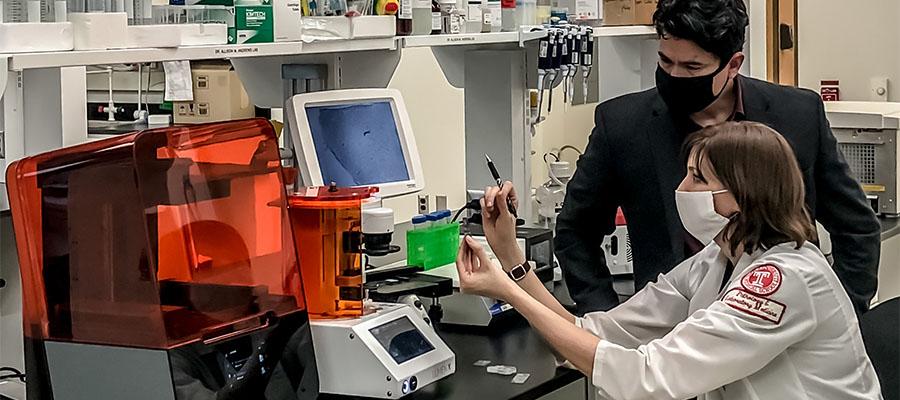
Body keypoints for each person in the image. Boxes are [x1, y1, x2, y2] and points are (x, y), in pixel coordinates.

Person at [458, 122, 882, 400]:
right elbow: (588, 335)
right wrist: (512, 256)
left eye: (699, 178)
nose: (682, 187)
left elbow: (647, 376)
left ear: (744, 195)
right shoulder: (718, 260)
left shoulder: (783, 280)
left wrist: (508, 291)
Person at [556, 0, 880, 316]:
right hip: (669, 336)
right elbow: (576, 231)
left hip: (779, 330)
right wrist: (606, 316)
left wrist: (839, 312)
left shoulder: (797, 115)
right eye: (666, 62)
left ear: (734, 64)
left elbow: (856, 226)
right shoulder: (623, 125)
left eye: (693, 67)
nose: (675, 76)